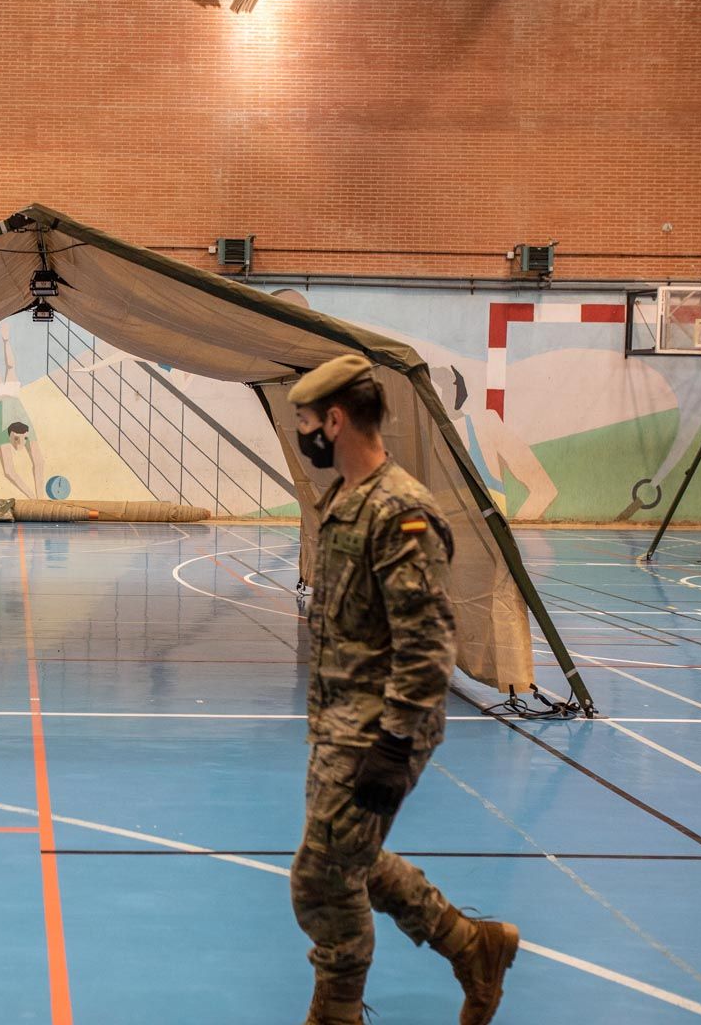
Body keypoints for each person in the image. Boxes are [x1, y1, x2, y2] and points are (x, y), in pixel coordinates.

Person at [288, 355, 517, 1025]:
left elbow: (427, 643)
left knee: (323, 882)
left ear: (334, 420)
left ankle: (337, 1010)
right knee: (350, 859)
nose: (305, 435)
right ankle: (473, 946)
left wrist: (392, 745)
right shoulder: (347, 501)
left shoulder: (399, 512)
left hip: (377, 729)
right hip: (339, 721)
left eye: (306, 422)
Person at [0, 323, 46, 498]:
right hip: (5, 401)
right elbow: (8, 471)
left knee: (4, 371)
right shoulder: (0, 431)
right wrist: (31, 496)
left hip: (11, 402)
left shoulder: (26, 429)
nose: (21, 442)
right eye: (19, 439)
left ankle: (4, 341)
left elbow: (39, 462)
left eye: (23, 438)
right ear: (10, 436)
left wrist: (39, 497)